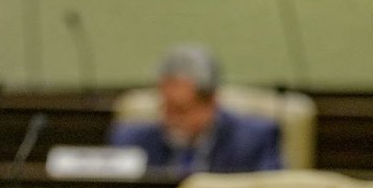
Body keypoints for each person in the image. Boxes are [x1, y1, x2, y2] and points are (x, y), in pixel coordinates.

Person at [109, 44, 283, 175]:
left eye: (180, 109)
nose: (170, 119)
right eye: (166, 107)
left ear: (211, 101)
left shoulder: (255, 141)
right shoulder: (132, 141)